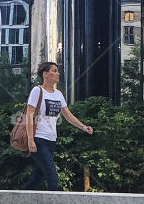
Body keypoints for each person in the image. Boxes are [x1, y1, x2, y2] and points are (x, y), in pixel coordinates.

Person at [23, 61, 93, 191]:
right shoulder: (37, 91)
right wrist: (30, 140)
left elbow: (68, 116)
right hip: (39, 139)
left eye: (57, 71)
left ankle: (18, 200)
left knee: (37, 177)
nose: (58, 73)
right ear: (45, 74)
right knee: (52, 175)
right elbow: (29, 115)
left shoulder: (58, 94)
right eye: (54, 71)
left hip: (51, 140)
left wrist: (83, 127)